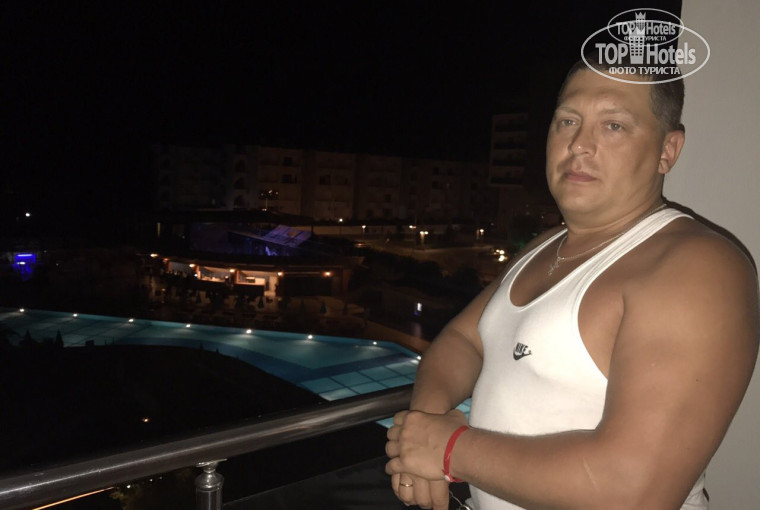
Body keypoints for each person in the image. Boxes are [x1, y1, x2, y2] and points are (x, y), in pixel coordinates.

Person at [384, 57, 759, 510]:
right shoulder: (545, 245)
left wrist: (447, 449)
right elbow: (463, 341)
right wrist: (424, 423)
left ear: (668, 150)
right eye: (567, 121)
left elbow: (634, 490)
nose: (579, 143)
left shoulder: (697, 266)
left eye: (614, 125)